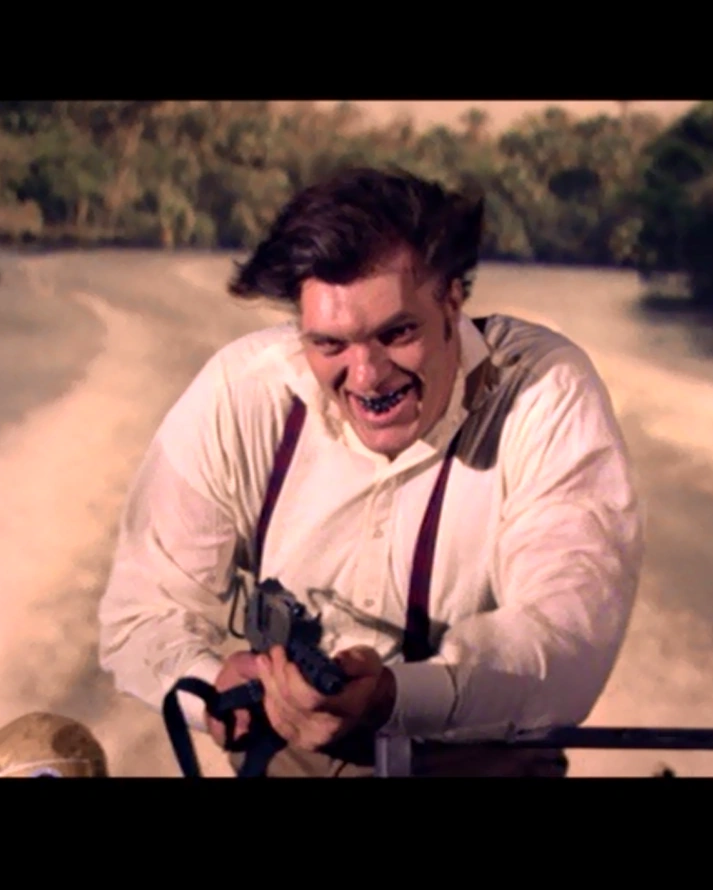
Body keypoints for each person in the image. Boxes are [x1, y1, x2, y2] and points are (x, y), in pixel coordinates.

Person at [96, 166, 643, 777]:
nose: (367, 377)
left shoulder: (545, 392)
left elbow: (564, 645)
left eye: (397, 333)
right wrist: (214, 687)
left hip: (478, 760)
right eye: (329, 344)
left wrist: (391, 697)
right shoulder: (242, 392)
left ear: (452, 300)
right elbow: (140, 614)